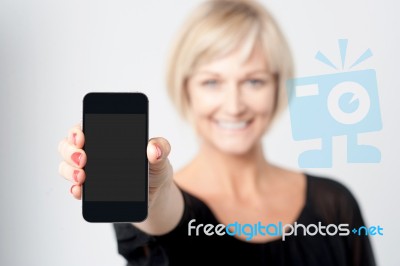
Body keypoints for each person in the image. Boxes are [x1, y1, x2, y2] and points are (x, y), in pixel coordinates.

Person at [58, 0, 376, 265]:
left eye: (254, 81)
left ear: (278, 86)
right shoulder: (162, 200)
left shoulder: (334, 205)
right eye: (212, 82)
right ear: (186, 90)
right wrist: (153, 192)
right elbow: (165, 215)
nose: (234, 105)